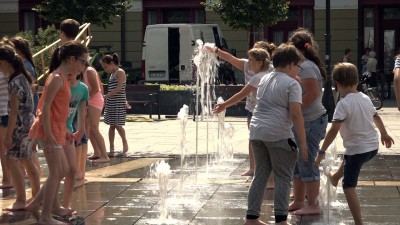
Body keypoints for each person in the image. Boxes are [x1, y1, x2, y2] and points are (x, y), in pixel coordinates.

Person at [315, 62, 394, 225]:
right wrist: (384, 134)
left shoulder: (343, 104)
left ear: (337, 84)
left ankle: (359, 222)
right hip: (372, 147)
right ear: (356, 81)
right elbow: (376, 117)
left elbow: (333, 130)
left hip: (358, 150)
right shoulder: (365, 98)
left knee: (349, 186)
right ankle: (336, 177)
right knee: (350, 158)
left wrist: (321, 152)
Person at [25, 41, 88, 225]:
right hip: (50, 131)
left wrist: (67, 131)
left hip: (58, 130)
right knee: (56, 172)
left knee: (62, 170)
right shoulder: (57, 78)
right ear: (71, 59)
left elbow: (57, 111)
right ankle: (45, 217)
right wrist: (50, 134)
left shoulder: (63, 77)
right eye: (83, 61)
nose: (84, 66)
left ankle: (38, 206)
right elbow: (44, 108)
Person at [244, 43, 307, 225]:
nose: (298, 70)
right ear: (290, 64)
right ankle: (281, 220)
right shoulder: (291, 84)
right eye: (298, 66)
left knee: (260, 175)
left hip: (257, 132)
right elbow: (296, 114)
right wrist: (302, 143)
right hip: (278, 134)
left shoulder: (263, 79)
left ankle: (252, 219)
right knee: (283, 177)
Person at [207, 41, 276, 178]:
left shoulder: (267, 72)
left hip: (266, 111)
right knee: (253, 138)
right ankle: (253, 168)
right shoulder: (248, 66)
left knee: (264, 141)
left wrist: (224, 105)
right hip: (253, 108)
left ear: (261, 60)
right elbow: (230, 59)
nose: (249, 61)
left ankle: (268, 173)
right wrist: (215, 50)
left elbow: (241, 94)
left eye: (252, 58)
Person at [288, 28, 328, 215]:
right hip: (305, 121)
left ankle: (313, 204)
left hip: (312, 121)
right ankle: (298, 200)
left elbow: (313, 94)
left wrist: (294, 108)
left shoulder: (307, 67)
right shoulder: (302, 65)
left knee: (307, 161)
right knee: (299, 162)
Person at [0, 45, 40, 211]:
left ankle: (20, 200)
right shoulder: (24, 76)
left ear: (3, 62)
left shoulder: (14, 82)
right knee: (29, 162)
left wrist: (8, 135)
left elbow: (14, 111)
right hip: (28, 124)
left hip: (19, 127)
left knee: (12, 161)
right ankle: (37, 197)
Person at [10, 35, 44, 177]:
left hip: (27, 110)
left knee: (28, 147)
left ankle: (36, 172)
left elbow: (27, 90)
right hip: (29, 109)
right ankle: (32, 171)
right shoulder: (26, 64)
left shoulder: (25, 66)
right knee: (26, 147)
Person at [102, 53, 128, 159]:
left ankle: (125, 143)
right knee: (111, 125)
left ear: (112, 63)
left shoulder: (120, 72)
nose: (105, 69)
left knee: (118, 125)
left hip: (118, 102)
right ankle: (111, 148)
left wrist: (107, 95)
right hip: (112, 102)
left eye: (106, 67)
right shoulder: (112, 74)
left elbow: (119, 88)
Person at [83, 65, 108, 163]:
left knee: (94, 128)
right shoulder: (85, 70)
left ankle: (105, 156)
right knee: (88, 129)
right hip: (90, 100)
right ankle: (97, 152)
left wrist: (84, 98)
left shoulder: (89, 70)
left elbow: (96, 88)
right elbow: (100, 86)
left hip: (94, 100)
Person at [0, 40, 11, 189]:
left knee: (3, 147)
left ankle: (8, 179)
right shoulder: (11, 73)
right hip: (6, 112)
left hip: (3, 113)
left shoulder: (4, 73)